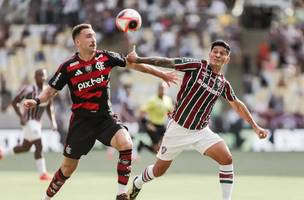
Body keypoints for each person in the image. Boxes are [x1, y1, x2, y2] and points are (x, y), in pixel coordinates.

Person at [22, 23, 178, 200]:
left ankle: (121, 194)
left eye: (94, 36)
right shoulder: (68, 67)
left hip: (105, 118)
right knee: (67, 168)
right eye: (88, 36)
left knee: (126, 144)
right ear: (77, 42)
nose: (93, 39)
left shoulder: (106, 57)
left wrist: (162, 74)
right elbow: (50, 91)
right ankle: (46, 198)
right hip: (82, 123)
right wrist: (36, 101)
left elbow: (134, 65)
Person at [126, 40, 269, 200]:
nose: (218, 55)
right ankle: (138, 182)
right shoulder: (196, 66)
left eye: (223, 53)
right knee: (158, 171)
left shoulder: (223, 84)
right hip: (178, 129)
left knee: (227, 158)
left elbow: (237, 104)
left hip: (201, 131)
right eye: (215, 51)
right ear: (210, 54)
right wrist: (139, 59)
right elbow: (169, 62)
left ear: (227, 59)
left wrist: (255, 127)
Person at [0, 69, 57, 181]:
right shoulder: (29, 89)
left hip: (37, 123)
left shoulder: (47, 91)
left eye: (44, 75)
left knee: (25, 147)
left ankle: (2, 152)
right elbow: (14, 102)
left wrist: (53, 121)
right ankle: (42, 174)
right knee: (39, 145)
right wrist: (21, 116)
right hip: (28, 121)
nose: (43, 77)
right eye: (40, 75)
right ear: (35, 77)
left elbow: (49, 107)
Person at [137, 82, 173, 153]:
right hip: (153, 126)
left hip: (162, 126)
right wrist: (147, 124)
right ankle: (143, 145)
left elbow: (171, 112)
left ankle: (143, 145)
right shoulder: (152, 100)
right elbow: (141, 112)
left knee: (164, 147)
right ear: (158, 89)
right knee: (157, 150)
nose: (163, 90)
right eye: (161, 88)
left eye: (165, 88)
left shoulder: (168, 100)